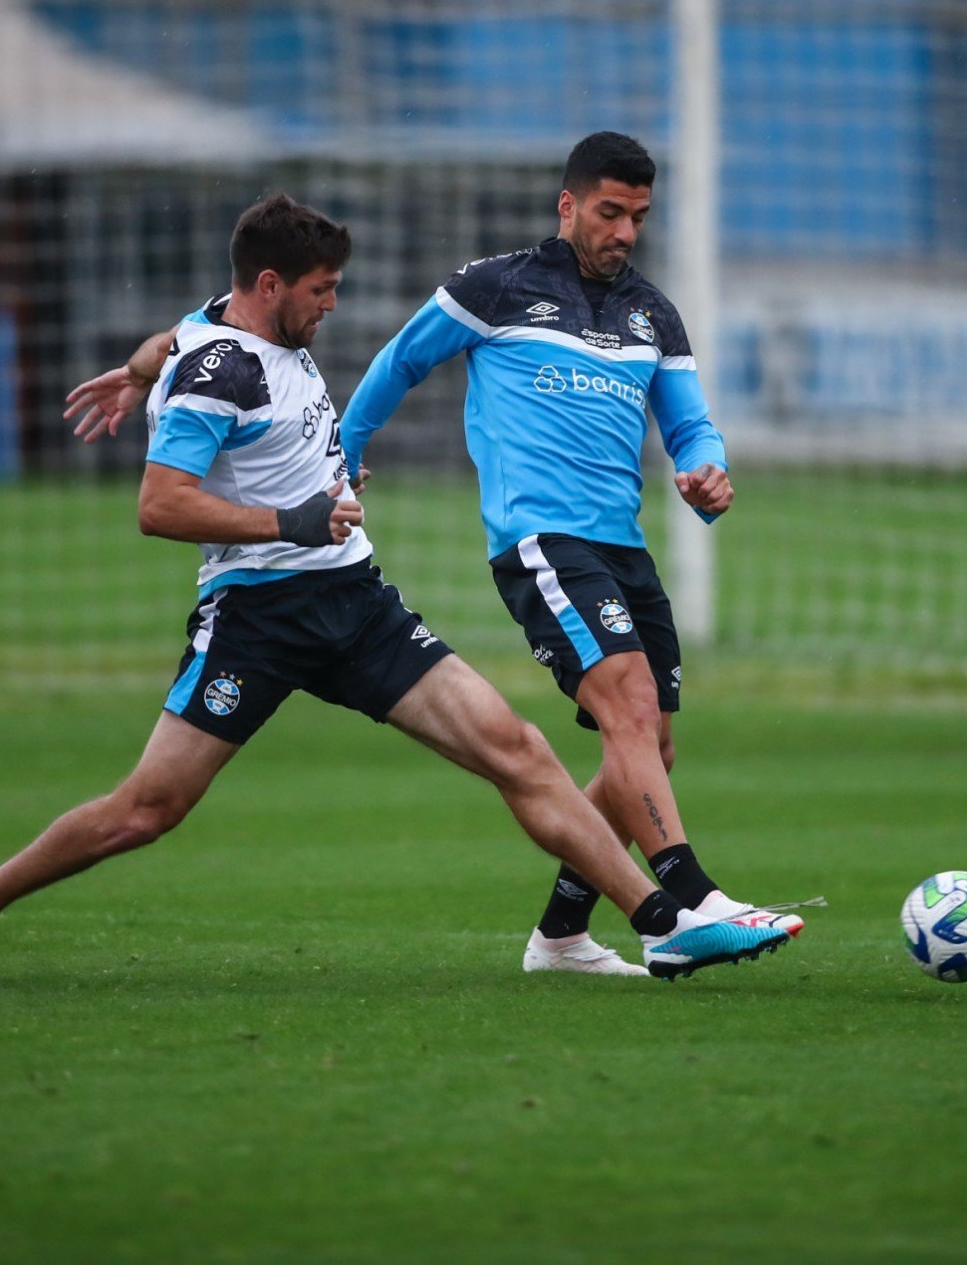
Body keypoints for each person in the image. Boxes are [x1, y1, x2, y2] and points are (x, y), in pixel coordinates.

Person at [0, 194, 789, 985]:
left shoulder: (220, 329)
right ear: (270, 286)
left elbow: (178, 335)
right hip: (258, 618)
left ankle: (660, 922)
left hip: (355, 601)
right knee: (145, 810)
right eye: (321, 291)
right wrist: (291, 518)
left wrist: (136, 368)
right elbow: (160, 504)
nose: (332, 306)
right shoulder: (216, 371)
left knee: (517, 748)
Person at [336, 131, 802, 976]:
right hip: (542, 540)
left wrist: (709, 470)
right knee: (625, 704)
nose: (625, 231)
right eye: (610, 212)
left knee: (648, 748)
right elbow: (399, 362)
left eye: (639, 217)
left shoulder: (653, 312)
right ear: (569, 205)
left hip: (623, 546)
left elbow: (689, 423)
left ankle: (560, 936)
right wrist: (340, 454)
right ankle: (689, 899)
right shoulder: (496, 286)